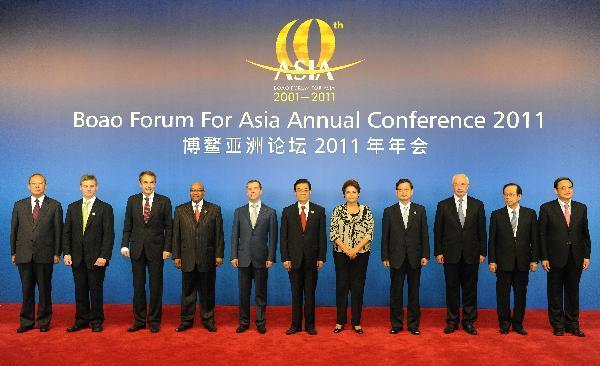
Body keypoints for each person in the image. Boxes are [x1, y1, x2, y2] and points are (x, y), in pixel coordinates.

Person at [434, 173, 486, 335]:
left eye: (463, 184)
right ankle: (452, 321)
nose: (459, 187)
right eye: (456, 184)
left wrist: (482, 252)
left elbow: (482, 231)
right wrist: (438, 252)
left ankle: (469, 322)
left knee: (470, 289)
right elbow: (438, 231)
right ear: (452, 186)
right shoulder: (443, 205)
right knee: (452, 289)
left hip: (472, 254)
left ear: (468, 186)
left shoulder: (478, 205)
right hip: (450, 254)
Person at [10, 173, 63, 333]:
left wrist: (57, 253)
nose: (37, 186)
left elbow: (58, 231)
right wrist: (14, 252)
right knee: (26, 290)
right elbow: (14, 230)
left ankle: (44, 321)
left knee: (45, 289)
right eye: (34, 183)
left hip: (45, 254)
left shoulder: (54, 205)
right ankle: (26, 322)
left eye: (40, 183)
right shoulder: (19, 205)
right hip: (23, 253)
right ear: (29, 186)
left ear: (45, 185)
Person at [121, 171, 173, 333]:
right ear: (140, 184)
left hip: (157, 250)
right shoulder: (132, 200)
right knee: (138, 286)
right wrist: (124, 245)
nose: (148, 185)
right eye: (145, 182)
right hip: (136, 249)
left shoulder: (164, 201)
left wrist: (167, 248)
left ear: (155, 184)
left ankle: (155, 321)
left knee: (156, 286)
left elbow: (169, 227)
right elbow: (127, 225)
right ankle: (139, 321)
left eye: (151, 182)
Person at [539, 177, 591, 337]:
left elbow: (585, 234)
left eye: (570, 187)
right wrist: (544, 257)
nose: (567, 190)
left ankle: (573, 325)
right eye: (563, 187)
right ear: (556, 190)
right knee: (554, 292)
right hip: (554, 257)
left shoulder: (581, 207)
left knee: (572, 292)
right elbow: (542, 235)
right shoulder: (547, 208)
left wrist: (586, 255)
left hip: (576, 257)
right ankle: (558, 325)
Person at [63, 174, 115, 332]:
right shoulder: (72, 207)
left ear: (97, 187)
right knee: (80, 290)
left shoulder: (105, 208)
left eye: (92, 186)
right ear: (80, 187)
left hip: (96, 258)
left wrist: (104, 256)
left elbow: (108, 235)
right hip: (77, 257)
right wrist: (67, 253)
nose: (88, 189)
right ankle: (81, 320)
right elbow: (67, 232)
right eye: (85, 186)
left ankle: (97, 321)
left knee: (95, 290)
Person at [172, 182, 224, 332]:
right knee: (187, 293)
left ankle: (208, 320)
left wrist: (219, 255)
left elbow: (219, 235)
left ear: (204, 192)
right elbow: (176, 235)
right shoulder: (180, 210)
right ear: (189, 192)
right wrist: (176, 255)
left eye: (198, 190)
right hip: (187, 258)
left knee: (207, 292)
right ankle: (186, 321)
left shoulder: (214, 209)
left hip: (207, 258)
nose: (195, 193)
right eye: (193, 190)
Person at [488, 183, 538, 335]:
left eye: (511, 194)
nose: (507, 197)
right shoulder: (496, 214)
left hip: (523, 262)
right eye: (505, 194)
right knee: (502, 295)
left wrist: (534, 259)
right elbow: (492, 240)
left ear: (519, 196)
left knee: (520, 294)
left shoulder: (530, 214)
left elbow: (534, 239)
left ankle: (517, 324)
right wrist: (492, 260)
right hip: (503, 262)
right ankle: (504, 323)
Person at [381, 178, 429, 335]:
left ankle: (414, 325)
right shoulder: (389, 211)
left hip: (415, 258)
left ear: (412, 191)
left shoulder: (420, 210)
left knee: (414, 293)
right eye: (400, 190)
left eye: (406, 189)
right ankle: (396, 324)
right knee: (396, 293)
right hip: (396, 258)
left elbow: (424, 235)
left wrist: (425, 255)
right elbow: (385, 237)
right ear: (396, 192)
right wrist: (385, 256)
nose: (403, 192)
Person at [231, 179, 278, 334]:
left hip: (261, 259)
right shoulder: (239, 211)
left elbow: (273, 238)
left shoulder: (270, 212)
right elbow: (234, 235)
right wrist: (233, 255)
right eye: (249, 189)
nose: (252, 191)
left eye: (255, 188)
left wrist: (271, 257)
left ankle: (260, 322)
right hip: (243, 258)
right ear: (246, 192)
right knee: (243, 293)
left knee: (260, 293)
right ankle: (243, 322)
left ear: (261, 191)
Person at [280, 178, 327, 335]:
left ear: (310, 192)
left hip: (312, 260)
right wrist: (285, 258)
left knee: (310, 294)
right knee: (296, 294)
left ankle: (310, 325)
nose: (302, 192)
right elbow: (284, 237)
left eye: (305, 189)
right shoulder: (287, 211)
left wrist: (321, 257)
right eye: (299, 189)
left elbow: (322, 236)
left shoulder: (319, 211)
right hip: (293, 260)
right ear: (295, 192)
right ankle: (295, 325)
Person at [330, 179, 374, 334]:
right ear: (344, 194)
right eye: (348, 192)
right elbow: (333, 233)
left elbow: (369, 233)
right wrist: (347, 250)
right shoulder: (337, 211)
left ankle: (356, 322)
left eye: (354, 192)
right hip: (341, 254)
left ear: (359, 193)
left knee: (357, 288)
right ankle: (340, 322)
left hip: (361, 254)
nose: (351, 194)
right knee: (341, 287)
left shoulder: (366, 210)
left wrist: (355, 249)